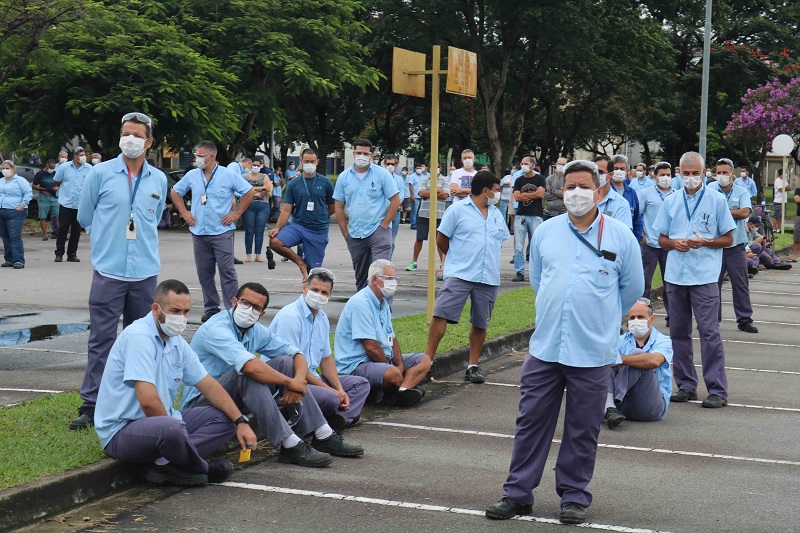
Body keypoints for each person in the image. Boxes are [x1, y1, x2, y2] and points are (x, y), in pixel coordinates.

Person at [485, 160, 643, 524]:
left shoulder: (620, 236)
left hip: (592, 350)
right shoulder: (546, 232)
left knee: (582, 426)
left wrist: (599, 318)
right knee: (531, 422)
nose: (576, 193)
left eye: (584, 186)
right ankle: (517, 493)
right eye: (570, 186)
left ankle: (573, 496)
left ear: (600, 191)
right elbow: (540, 281)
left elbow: (631, 289)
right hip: (546, 347)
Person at [94, 279, 256, 486]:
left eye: (186, 311)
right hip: (123, 430)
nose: (182, 318)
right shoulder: (139, 338)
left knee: (225, 419)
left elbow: (208, 385)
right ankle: (199, 467)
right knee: (171, 429)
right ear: (156, 309)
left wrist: (240, 421)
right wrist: (173, 430)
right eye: (175, 311)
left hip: (165, 423)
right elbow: (148, 402)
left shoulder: (176, 340)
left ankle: (165, 463)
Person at [181, 281, 363, 466]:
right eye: (245, 303)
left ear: (261, 314)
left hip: (234, 397)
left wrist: (298, 381)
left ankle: (323, 433)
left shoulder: (255, 330)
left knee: (285, 361)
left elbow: (296, 354)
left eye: (256, 307)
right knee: (247, 373)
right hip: (202, 403)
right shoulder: (217, 329)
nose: (249, 309)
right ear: (234, 301)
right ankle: (289, 443)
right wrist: (289, 382)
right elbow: (250, 367)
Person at [68, 112, 169, 431]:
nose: (131, 140)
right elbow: (85, 215)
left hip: (144, 272)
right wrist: (105, 240)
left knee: (142, 339)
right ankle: (91, 404)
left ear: (149, 142)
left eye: (138, 135)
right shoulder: (99, 173)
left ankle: (139, 401)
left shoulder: (159, 179)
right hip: (108, 271)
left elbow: (153, 219)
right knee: (101, 338)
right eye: (127, 133)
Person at [653, 151, 736, 409]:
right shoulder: (671, 201)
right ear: (679, 173)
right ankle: (686, 385)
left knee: (709, 331)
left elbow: (729, 238)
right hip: (676, 274)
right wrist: (673, 243)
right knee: (678, 331)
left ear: (704, 172)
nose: (690, 178)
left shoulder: (716, 200)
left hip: (705, 275)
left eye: (695, 173)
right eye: (686, 173)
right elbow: (661, 239)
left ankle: (717, 389)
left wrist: (706, 242)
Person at [423, 171, 511, 383]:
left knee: (481, 323)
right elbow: (441, 239)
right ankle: (426, 362)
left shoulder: (496, 213)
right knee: (441, 314)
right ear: (486, 190)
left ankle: (473, 366)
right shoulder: (457, 210)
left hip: (488, 276)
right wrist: (452, 260)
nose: (498, 194)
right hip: (460, 273)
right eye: (497, 190)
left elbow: (499, 240)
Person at [270, 268, 369, 430]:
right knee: (331, 398)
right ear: (304, 289)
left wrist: (339, 388)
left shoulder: (322, 318)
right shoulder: (290, 318)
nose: (319, 295)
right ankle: (327, 422)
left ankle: (337, 421)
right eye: (315, 290)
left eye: (324, 292)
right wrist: (331, 391)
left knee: (360, 384)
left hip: (314, 379)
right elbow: (295, 367)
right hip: (290, 383)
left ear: (329, 296)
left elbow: (326, 359)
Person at [171, 141, 254, 323]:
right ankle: (211, 308)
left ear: (211, 156)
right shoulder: (193, 175)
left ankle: (233, 309)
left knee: (227, 271)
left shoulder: (228, 175)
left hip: (221, 231)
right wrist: (184, 212)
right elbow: (175, 192)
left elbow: (249, 192)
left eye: (201, 156)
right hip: (199, 231)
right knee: (204, 273)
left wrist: (237, 213)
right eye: (196, 155)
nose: (197, 159)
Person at [335, 260, 432, 406]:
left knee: (425, 360)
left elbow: (391, 338)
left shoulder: (383, 303)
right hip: (356, 364)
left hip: (380, 360)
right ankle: (401, 388)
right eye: (389, 278)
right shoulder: (361, 303)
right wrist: (392, 368)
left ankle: (400, 392)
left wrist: (398, 364)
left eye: (394, 278)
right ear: (374, 279)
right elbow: (370, 347)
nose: (393, 283)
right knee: (393, 375)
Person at [333, 139, 399, 291]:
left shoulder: (382, 174)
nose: (362, 156)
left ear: (371, 155)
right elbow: (338, 205)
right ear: (353, 153)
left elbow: (395, 200)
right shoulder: (344, 177)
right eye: (359, 153)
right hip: (355, 233)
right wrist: (345, 233)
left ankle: (383, 312)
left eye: (365, 153)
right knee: (361, 279)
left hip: (378, 231)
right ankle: (363, 312)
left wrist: (384, 225)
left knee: (381, 275)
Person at [603, 299, 673, 430]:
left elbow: (654, 361)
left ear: (652, 319)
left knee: (637, 354)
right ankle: (610, 408)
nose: (636, 321)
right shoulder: (620, 340)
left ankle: (609, 405)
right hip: (623, 405)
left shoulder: (664, 341)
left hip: (649, 406)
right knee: (607, 358)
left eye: (640, 317)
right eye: (632, 317)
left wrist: (620, 360)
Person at [707, 158, 757, 333]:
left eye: (725, 173)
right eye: (718, 173)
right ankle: (712, 320)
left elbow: (744, 212)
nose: (721, 176)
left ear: (732, 174)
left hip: (736, 245)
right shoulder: (709, 189)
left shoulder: (742, 191)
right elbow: (705, 212)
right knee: (712, 285)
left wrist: (721, 212)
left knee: (740, 284)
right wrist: (731, 214)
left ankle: (744, 320)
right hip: (715, 245)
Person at [270, 148, 335, 280]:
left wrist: (321, 217)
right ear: (301, 161)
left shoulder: (325, 182)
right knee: (275, 242)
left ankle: (309, 292)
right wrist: (277, 227)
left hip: (318, 230)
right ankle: (301, 263)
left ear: (317, 161)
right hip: (299, 226)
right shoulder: (294, 183)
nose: (309, 164)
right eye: (306, 161)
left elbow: (332, 207)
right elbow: (287, 209)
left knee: (314, 273)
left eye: (312, 161)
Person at [639, 162, 674, 322]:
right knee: (645, 282)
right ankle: (642, 314)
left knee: (671, 283)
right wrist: (642, 234)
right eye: (662, 175)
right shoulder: (646, 193)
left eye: (668, 175)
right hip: (650, 244)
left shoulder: (676, 194)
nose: (665, 178)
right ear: (655, 176)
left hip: (669, 245)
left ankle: (672, 316)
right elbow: (637, 216)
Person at [405, 164, 449, 278]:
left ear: (440, 168)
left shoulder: (444, 180)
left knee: (439, 240)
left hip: (439, 215)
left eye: (438, 167)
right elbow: (422, 194)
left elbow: (445, 195)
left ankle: (443, 265)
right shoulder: (424, 179)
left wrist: (431, 191)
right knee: (419, 238)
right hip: (424, 214)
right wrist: (437, 191)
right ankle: (414, 262)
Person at [511, 155, 546, 282]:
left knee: (536, 244)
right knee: (518, 246)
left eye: (526, 163)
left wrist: (524, 194)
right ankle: (519, 272)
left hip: (536, 215)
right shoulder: (519, 180)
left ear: (532, 165)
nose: (523, 165)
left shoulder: (540, 178)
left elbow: (541, 194)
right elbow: (517, 197)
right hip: (521, 215)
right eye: (522, 163)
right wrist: (533, 195)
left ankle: (537, 270)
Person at [53, 146, 91, 262]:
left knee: (76, 230)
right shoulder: (64, 167)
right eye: (81, 155)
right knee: (63, 228)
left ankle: (72, 254)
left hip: (80, 204)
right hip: (66, 202)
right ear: (75, 157)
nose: (83, 157)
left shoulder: (89, 168)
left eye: (84, 155)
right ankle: (59, 253)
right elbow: (56, 180)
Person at [0, 160, 32, 269]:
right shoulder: (1, 181)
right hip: (2, 211)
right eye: (3, 168)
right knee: (5, 236)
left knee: (15, 236)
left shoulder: (20, 181)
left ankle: (18, 260)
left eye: (7, 168)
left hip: (15, 212)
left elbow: (28, 193)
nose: (5, 170)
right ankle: (9, 259)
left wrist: (22, 205)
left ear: (13, 169)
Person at [240, 158, 273, 263]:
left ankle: (258, 255)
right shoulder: (244, 177)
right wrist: (257, 192)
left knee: (259, 230)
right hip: (249, 205)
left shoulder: (264, 176)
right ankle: (248, 254)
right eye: (254, 165)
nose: (256, 167)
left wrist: (253, 189)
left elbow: (268, 188)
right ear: (250, 165)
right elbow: (243, 189)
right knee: (249, 231)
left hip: (263, 205)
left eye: (258, 165)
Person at [609, 154, 644, 242]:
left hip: (628, 240)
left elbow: (637, 219)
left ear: (627, 170)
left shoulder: (631, 192)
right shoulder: (605, 191)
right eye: (615, 169)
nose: (619, 171)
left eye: (622, 169)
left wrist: (636, 240)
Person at [593, 157, 634, 230]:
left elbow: (622, 235)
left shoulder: (621, 203)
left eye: (600, 172)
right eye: (593, 172)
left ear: (610, 174)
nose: (596, 175)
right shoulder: (583, 198)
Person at [384, 155, 406, 258]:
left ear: (396, 165)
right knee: (380, 239)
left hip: (395, 212)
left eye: (392, 164)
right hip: (382, 212)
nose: (390, 166)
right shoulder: (380, 177)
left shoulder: (399, 179)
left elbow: (401, 195)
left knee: (391, 241)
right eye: (388, 164)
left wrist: (393, 205)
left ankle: (388, 261)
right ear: (384, 164)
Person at [32, 160, 60, 241]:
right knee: (43, 217)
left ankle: (60, 233)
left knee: (57, 216)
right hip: (43, 197)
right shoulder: (40, 174)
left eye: (53, 168)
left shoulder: (55, 174)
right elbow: (34, 185)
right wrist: (44, 189)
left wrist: (57, 188)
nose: (51, 169)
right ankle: (45, 235)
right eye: (50, 167)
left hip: (54, 197)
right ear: (47, 165)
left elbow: (59, 183)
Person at [407, 163, 423, 229]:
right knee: (414, 211)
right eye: (417, 168)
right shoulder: (412, 176)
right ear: (415, 169)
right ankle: (413, 224)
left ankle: (418, 224)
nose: (419, 169)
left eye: (420, 168)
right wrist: (412, 195)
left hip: (422, 197)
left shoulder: (423, 176)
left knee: (420, 212)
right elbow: (410, 186)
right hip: (415, 196)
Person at [773, 168, 787, 233]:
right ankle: (774, 229)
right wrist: (785, 188)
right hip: (778, 201)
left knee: (781, 217)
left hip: (784, 201)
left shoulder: (784, 181)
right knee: (776, 216)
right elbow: (781, 189)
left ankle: (779, 229)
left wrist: (784, 188)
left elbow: (789, 188)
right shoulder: (777, 181)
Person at [792, 186, 800, 262]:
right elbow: (797, 199)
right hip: (799, 216)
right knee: (797, 237)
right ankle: (794, 256)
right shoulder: (798, 190)